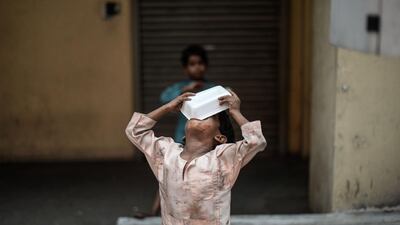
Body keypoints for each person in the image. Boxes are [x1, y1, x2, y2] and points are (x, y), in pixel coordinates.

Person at [125, 89, 267, 224]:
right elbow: (135, 130)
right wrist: (167, 107)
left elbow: (257, 141)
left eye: (208, 116)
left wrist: (235, 112)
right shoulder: (166, 152)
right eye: (196, 114)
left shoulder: (223, 158)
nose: (199, 117)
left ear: (220, 137)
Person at [160, 44, 215, 143]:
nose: (197, 67)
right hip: (184, 136)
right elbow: (164, 98)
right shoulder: (179, 87)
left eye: (200, 63)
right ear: (185, 68)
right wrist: (184, 90)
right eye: (192, 64)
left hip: (207, 137)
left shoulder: (212, 88)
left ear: (206, 66)